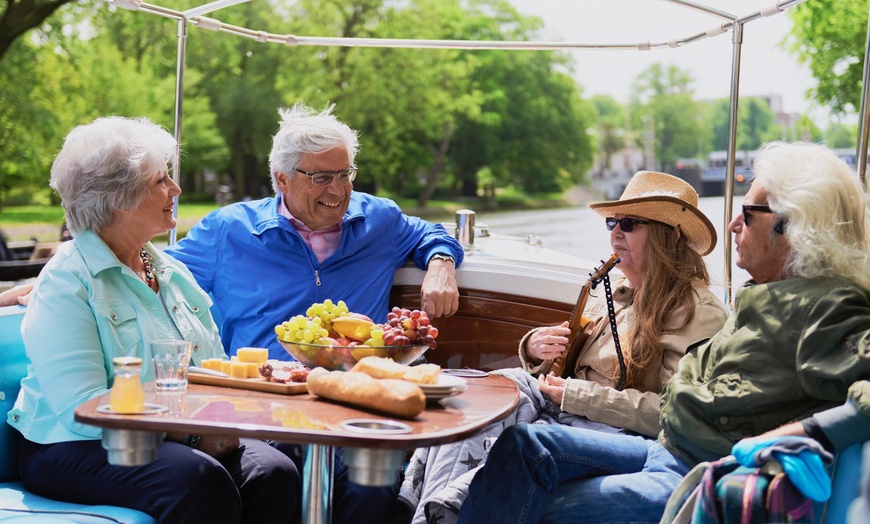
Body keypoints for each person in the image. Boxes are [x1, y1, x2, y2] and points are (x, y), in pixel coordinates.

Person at [455, 141, 870, 524]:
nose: (732, 224)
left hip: (697, 467)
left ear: (793, 226)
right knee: (524, 445)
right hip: (665, 447)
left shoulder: (830, 307)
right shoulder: (762, 294)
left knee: (536, 507)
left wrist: (802, 433)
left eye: (748, 213)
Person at [7, 116, 300, 524]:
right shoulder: (66, 282)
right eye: (161, 180)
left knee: (275, 470)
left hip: (170, 433)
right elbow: (82, 407)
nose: (176, 190)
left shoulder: (171, 272)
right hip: (68, 445)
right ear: (119, 198)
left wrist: (264, 380)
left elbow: (210, 369)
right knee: (198, 479)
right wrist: (190, 434)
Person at [399, 172, 729, 523]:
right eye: (612, 223)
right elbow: (565, 367)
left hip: (620, 434)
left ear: (670, 237)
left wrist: (578, 396)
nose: (615, 233)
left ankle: (442, 510)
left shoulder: (698, 313)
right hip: (568, 412)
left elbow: (673, 415)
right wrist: (536, 349)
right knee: (479, 395)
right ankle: (423, 511)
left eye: (629, 224)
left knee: (522, 439)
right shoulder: (614, 291)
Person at [164, 102, 464, 361]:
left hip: (355, 395)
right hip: (259, 400)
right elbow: (156, 275)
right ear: (283, 180)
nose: (338, 189)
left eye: (344, 174)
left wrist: (441, 262)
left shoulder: (379, 220)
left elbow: (430, 233)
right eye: (321, 177)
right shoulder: (227, 229)